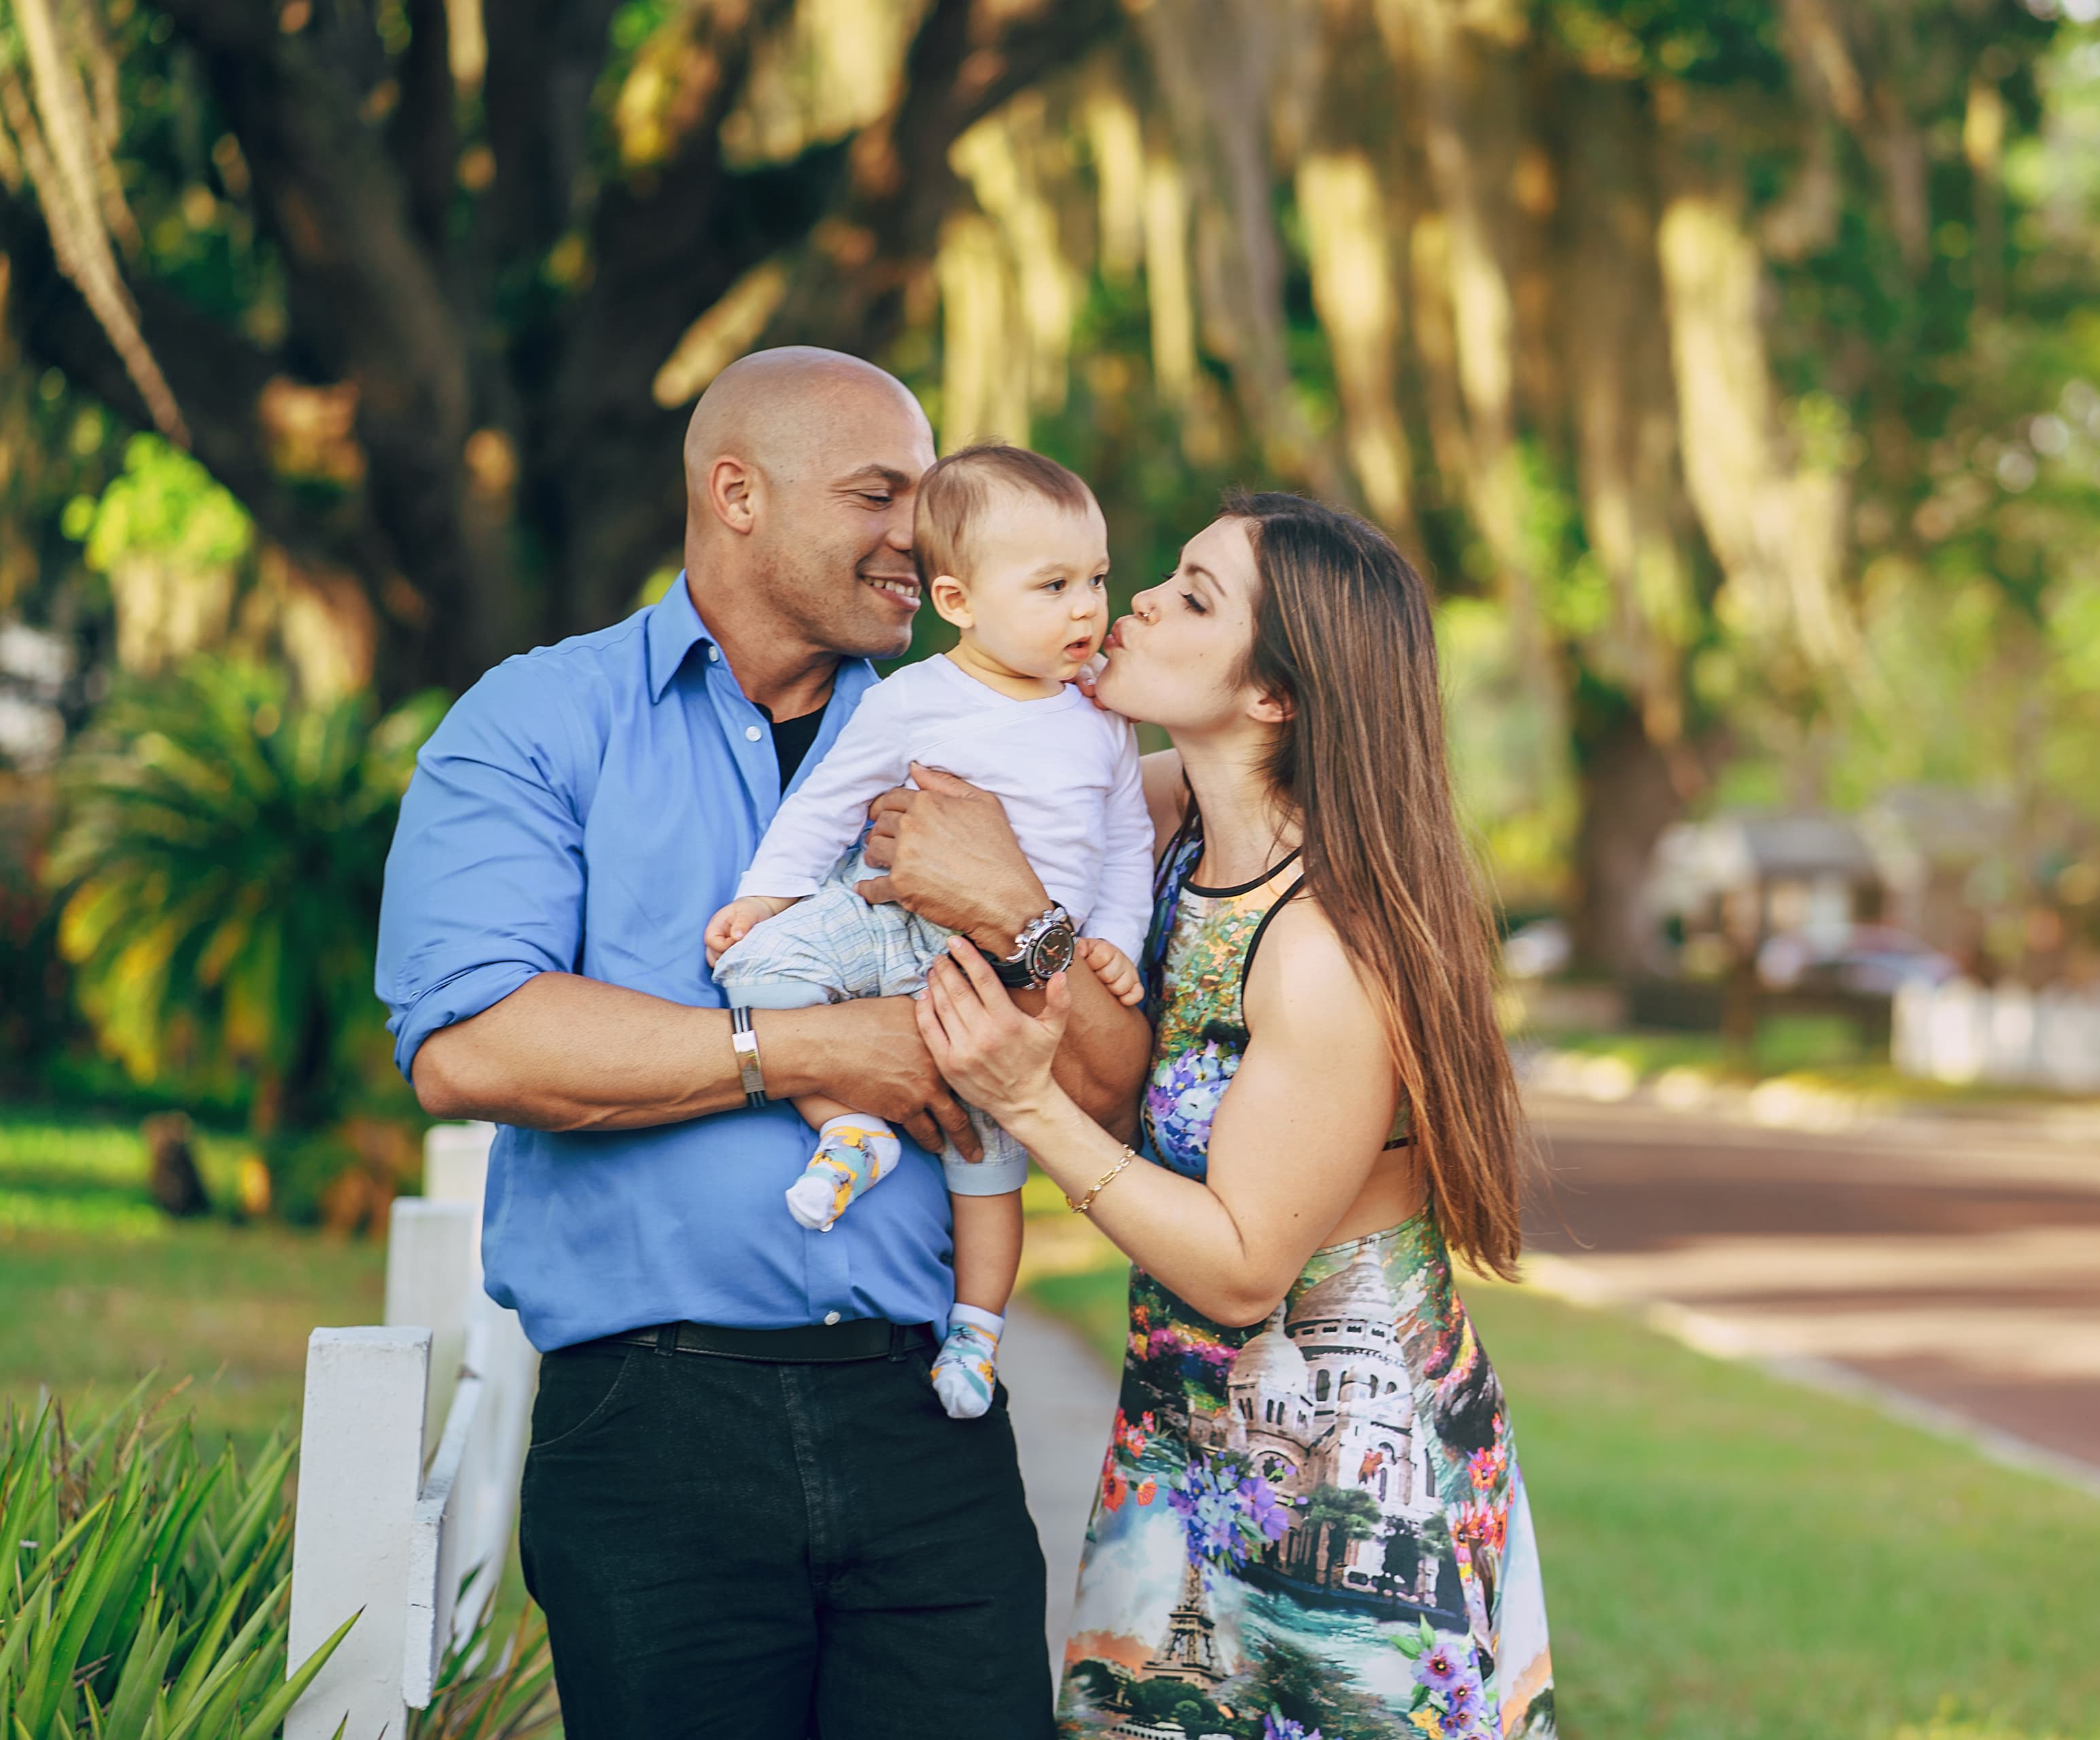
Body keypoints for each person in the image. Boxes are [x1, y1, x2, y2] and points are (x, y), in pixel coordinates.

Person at [374, 347, 1148, 1740]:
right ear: (736, 492)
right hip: (653, 1424)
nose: (921, 530)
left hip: (931, 1418)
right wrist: (808, 1047)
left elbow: (1105, 1084)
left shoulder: (986, 729)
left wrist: (1015, 906)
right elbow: (474, 1045)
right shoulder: (536, 722)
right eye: (878, 493)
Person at [911, 493, 1560, 1739]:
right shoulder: (1167, 826)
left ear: (1276, 696)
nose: (1137, 600)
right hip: (1185, 1453)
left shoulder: (1319, 944)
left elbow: (1240, 1263)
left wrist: (1028, 1105)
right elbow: (1006, 782)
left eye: (1195, 598)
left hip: (1349, 1500)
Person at [703, 440, 1153, 1420]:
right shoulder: (914, 701)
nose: (1088, 607)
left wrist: (1114, 933)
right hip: (894, 937)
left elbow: (1126, 843)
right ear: (958, 602)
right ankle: (850, 1130)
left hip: (1007, 982)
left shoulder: (1103, 722)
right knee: (754, 970)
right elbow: (829, 804)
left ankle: (977, 1335)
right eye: (1053, 586)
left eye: (1097, 579)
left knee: (987, 1166)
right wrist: (769, 894)